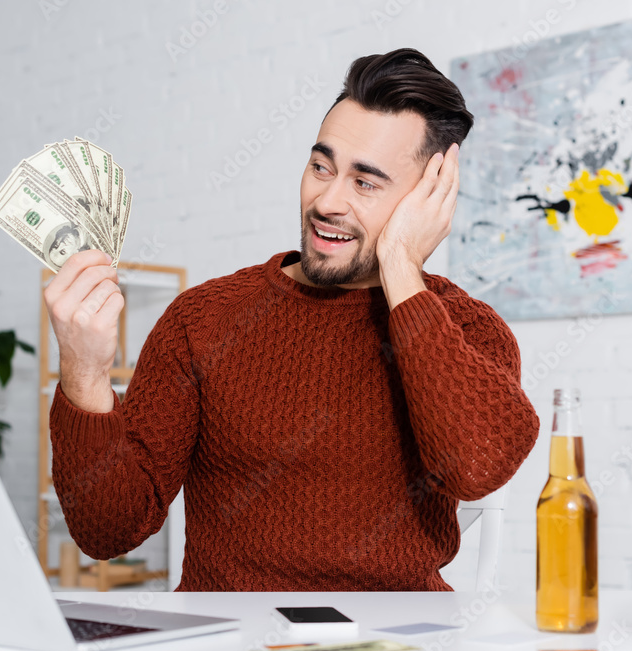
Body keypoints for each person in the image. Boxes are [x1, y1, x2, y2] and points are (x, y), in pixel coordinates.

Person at [44, 48, 540, 592]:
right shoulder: (204, 318)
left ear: (430, 197)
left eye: (365, 183)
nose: (327, 200)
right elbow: (106, 531)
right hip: (230, 642)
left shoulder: (468, 331)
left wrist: (401, 266)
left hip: (399, 644)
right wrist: (84, 376)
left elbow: (474, 468)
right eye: (321, 167)